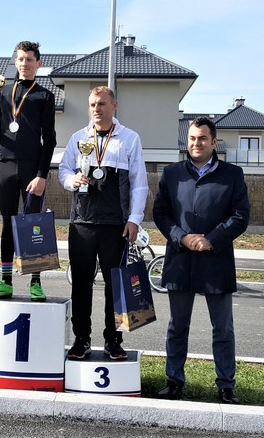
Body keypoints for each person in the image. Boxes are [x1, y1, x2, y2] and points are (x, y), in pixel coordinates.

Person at [152, 116, 250, 403]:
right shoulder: (172, 174)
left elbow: (240, 216)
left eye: (203, 138)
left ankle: (226, 385)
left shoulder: (232, 174)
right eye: (193, 138)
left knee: (223, 328)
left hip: (215, 261)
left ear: (213, 142)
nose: (197, 143)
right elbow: (160, 213)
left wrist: (212, 239)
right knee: (177, 327)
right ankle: (174, 381)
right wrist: (181, 237)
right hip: (181, 259)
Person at [59, 86, 148, 361]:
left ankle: (113, 340)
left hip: (115, 225)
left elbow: (139, 183)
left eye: (102, 104)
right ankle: (81, 339)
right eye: (92, 105)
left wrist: (134, 220)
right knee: (81, 284)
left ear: (114, 105)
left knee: (115, 286)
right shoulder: (78, 138)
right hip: (82, 223)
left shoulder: (129, 138)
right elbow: (63, 170)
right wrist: (72, 180)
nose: (96, 109)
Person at [0, 41, 56, 302]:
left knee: (33, 225)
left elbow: (50, 140)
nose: (25, 63)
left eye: (29, 59)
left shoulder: (45, 96)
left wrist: (42, 175)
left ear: (38, 63)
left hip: (32, 169)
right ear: (15, 62)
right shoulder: (1, 92)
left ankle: (35, 281)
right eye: (21, 59)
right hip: (6, 165)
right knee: (7, 223)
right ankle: (5, 281)